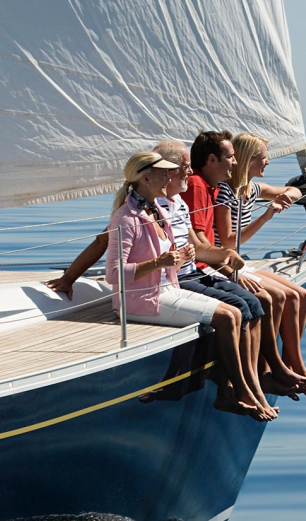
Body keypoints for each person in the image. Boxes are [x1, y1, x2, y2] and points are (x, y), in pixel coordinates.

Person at [103, 151, 271, 420]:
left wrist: (192, 257)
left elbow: (176, 257)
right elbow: (113, 274)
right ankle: (240, 391)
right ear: (146, 178)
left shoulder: (156, 210)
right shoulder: (126, 217)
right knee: (227, 316)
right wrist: (159, 263)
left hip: (167, 290)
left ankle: (233, 389)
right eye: (164, 173)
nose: (169, 177)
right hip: (142, 300)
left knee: (235, 312)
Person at [184, 131, 306, 401]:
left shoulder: (248, 189)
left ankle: (291, 366)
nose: (268, 162)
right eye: (263, 158)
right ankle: (270, 370)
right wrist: (267, 215)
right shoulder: (221, 191)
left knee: (299, 294)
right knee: (275, 297)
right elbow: (229, 242)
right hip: (224, 261)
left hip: (228, 260)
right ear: (246, 160)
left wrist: (291, 193)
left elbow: (288, 190)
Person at [152, 140, 281, 417]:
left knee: (252, 305)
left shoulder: (177, 203)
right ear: (166, 172)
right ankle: (239, 388)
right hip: (174, 283)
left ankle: (251, 382)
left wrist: (227, 258)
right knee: (238, 311)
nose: (191, 171)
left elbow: (199, 247)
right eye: (185, 167)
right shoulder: (149, 207)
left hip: (193, 272)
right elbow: (115, 250)